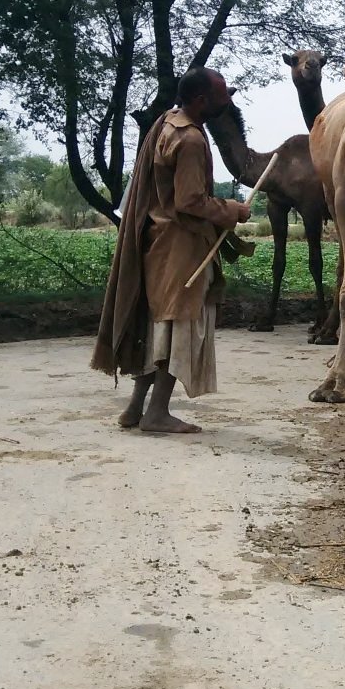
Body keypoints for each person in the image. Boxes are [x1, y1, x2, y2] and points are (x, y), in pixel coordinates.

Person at [91, 67, 252, 433]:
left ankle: (135, 409)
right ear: (201, 101)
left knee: (157, 327)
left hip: (158, 243)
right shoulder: (191, 141)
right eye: (221, 95)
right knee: (179, 326)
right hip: (181, 247)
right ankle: (157, 413)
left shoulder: (166, 123)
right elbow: (190, 201)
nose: (227, 101)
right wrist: (233, 211)